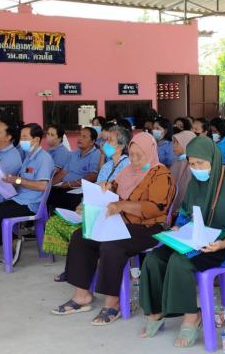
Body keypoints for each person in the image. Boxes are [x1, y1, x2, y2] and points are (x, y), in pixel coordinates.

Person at [139, 136, 225, 347]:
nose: (196, 168)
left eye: (200, 163)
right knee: (153, 259)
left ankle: (192, 317)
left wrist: (223, 243)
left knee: (179, 262)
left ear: (213, 159)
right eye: (192, 164)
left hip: (221, 245)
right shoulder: (195, 182)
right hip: (195, 240)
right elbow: (186, 214)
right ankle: (156, 312)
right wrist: (178, 228)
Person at [51, 132, 175, 327]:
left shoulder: (160, 174)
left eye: (140, 155)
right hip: (121, 222)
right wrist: (104, 189)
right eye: (131, 154)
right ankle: (82, 295)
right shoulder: (126, 171)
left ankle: (113, 302)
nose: (134, 160)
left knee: (111, 245)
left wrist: (123, 205)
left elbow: (157, 207)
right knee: (82, 236)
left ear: (151, 153)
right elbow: (113, 190)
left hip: (149, 227)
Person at [43, 126, 131, 281]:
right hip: (95, 209)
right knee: (54, 222)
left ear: (121, 146)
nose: (105, 144)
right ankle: (74, 267)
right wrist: (82, 205)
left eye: (110, 140)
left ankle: (78, 270)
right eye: (105, 140)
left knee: (77, 232)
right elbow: (95, 189)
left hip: (112, 213)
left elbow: (122, 195)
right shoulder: (107, 165)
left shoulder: (127, 165)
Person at [0, 123, 54, 262]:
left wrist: (17, 180)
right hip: (17, 198)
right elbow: (21, 181)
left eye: (25, 137)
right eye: (21, 137)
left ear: (36, 139)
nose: (21, 141)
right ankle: (11, 241)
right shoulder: (28, 157)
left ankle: (12, 241)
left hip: (30, 204)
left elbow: (43, 186)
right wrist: (9, 181)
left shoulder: (43, 158)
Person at [47, 127, 101, 211]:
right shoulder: (73, 153)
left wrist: (70, 184)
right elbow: (63, 173)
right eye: (80, 135)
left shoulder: (96, 154)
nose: (80, 138)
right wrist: (49, 185)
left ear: (92, 141)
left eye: (84, 136)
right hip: (64, 186)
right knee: (48, 194)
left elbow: (93, 176)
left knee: (67, 199)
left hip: (79, 189)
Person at [170, 130, 196, 212]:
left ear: (186, 143)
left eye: (177, 142)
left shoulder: (192, 166)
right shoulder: (177, 161)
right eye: (173, 142)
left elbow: (185, 190)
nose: (173, 145)